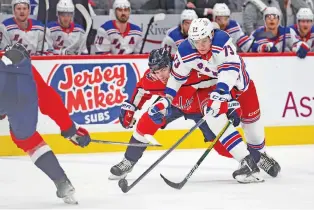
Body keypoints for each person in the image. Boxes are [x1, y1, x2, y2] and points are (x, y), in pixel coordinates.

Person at [148, 18, 281, 181]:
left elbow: (230, 72)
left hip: (241, 88)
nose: (201, 45)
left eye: (204, 41)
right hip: (217, 88)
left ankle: (260, 156)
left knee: (253, 132)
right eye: (197, 41)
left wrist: (220, 95)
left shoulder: (222, 43)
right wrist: (166, 100)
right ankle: (247, 164)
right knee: (214, 117)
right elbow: (176, 79)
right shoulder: (185, 51)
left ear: (211, 35)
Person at [109, 48, 267, 184]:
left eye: (163, 69)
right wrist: (130, 106)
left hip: (199, 107)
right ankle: (128, 161)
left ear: (171, 64)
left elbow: (223, 80)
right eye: (156, 72)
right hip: (172, 105)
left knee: (221, 146)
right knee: (147, 121)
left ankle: (256, 158)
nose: (161, 75)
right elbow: (141, 90)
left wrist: (231, 101)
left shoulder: (190, 72)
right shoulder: (152, 78)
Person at [0, 43, 91, 204]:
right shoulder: (25, 68)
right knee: (28, 139)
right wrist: (69, 129)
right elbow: (49, 100)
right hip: (21, 96)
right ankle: (62, 182)